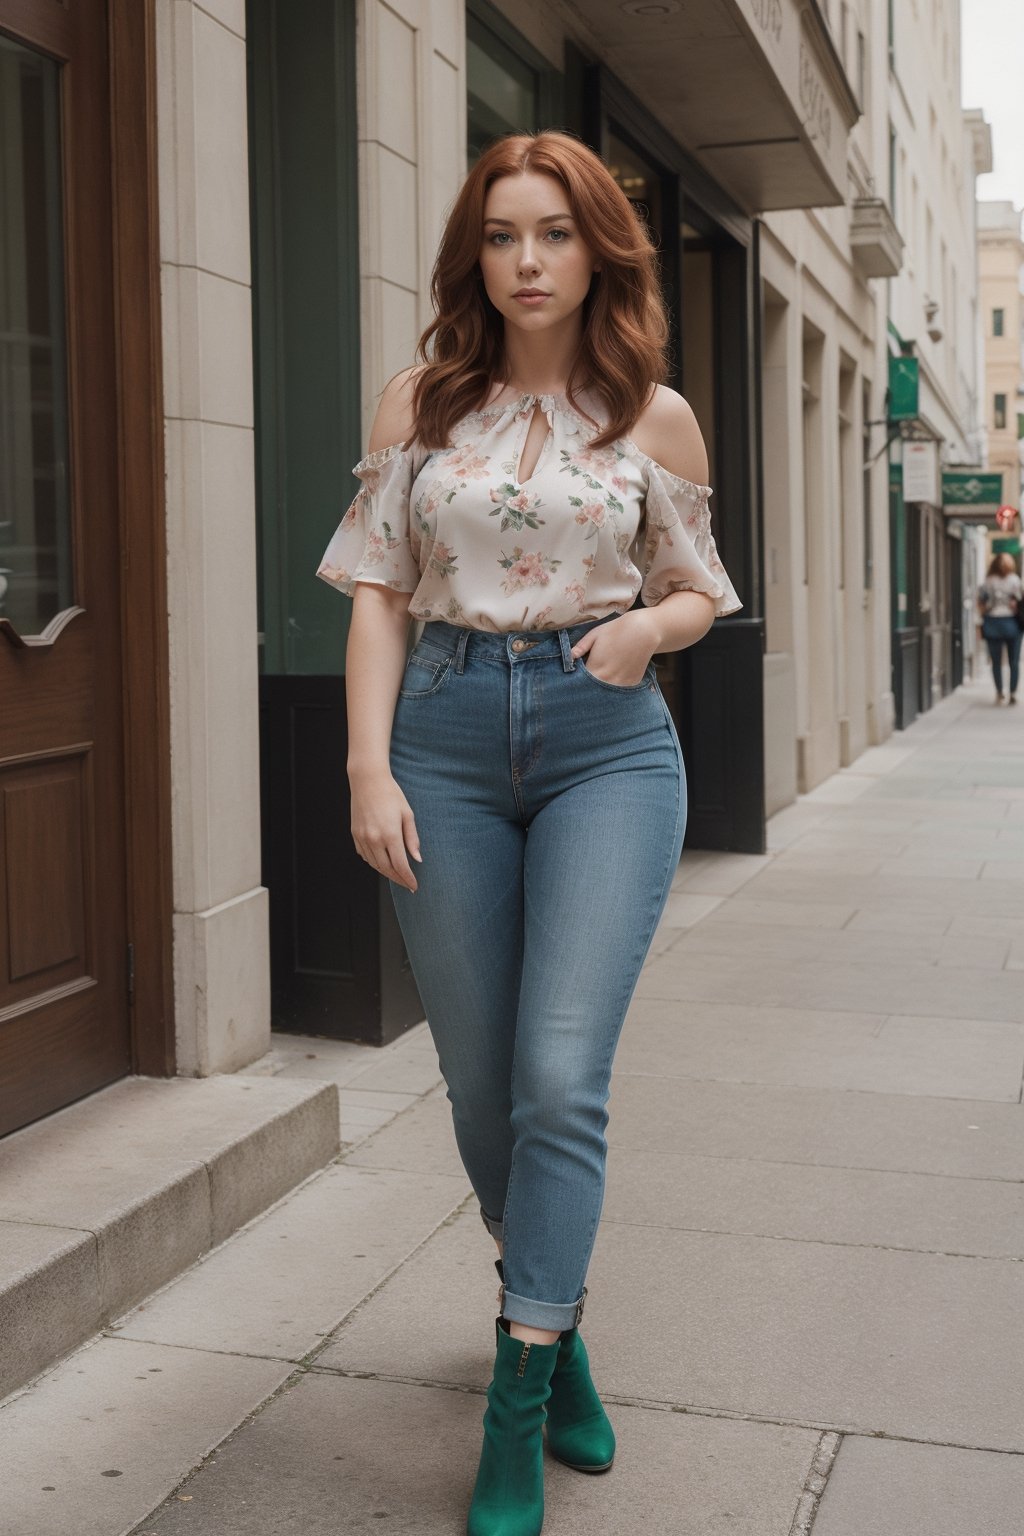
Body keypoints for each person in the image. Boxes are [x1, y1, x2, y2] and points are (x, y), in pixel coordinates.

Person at [317, 130, 741, 1536]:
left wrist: (642, 631)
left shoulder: (654, 417)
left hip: (605, 746)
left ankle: (513, 1405)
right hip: (437, 736)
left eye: (554, 232)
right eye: (503, 236)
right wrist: (368, 767)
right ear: (475, 255)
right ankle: (556, 1332)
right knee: (482, 1084)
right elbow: (379, 589)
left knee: (560, 1079)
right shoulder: (420, 403)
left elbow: (702, 591)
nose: (529, 261)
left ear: (596, 245)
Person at [977, 551, 1023, 705]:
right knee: (1013, 661)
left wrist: (985, 611)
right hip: (1012, 623)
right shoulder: (1015, 580)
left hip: (993, 622)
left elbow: (981, 603)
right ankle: (1012, 693)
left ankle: (1000, 692)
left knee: (996, 661)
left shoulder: (988, 581)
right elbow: (1019, 601)